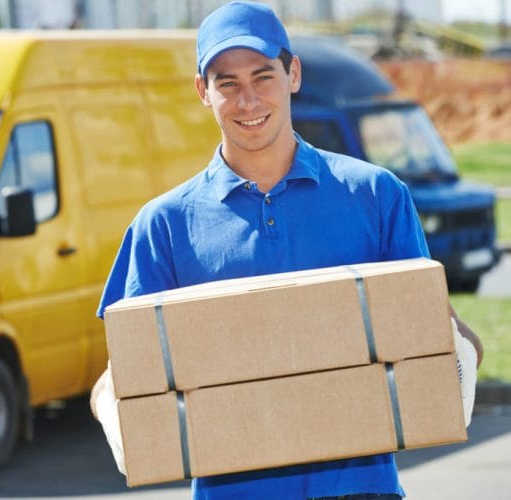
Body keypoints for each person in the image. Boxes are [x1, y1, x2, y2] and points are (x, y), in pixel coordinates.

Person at [91, 2, 483, 499]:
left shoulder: (375, 196)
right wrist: (116, 413)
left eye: (263, 76)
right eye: (227, 83)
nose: (248, 100)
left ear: (293, 73)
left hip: (362, 491)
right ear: (202, 93)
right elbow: (122, 375)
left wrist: (456, 362)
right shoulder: (163, 226)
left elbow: (435, 334)